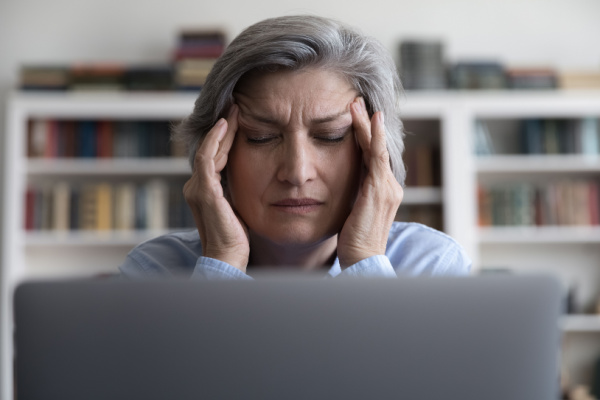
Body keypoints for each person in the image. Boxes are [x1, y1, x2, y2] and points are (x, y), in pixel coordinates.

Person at [119, 15, 471, 279]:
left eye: (331, 136)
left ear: (376, 153)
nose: (297, 172)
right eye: (261, 136)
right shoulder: (154, 272)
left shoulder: (433, 266)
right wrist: (222, 262)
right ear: (214, 155)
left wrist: (365, 262)